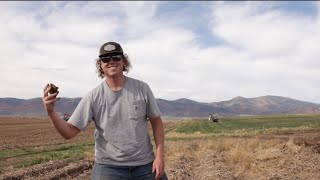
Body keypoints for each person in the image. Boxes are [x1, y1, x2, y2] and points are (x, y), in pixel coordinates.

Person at [43, 41, 167, 180]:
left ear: (124, 61)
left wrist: (160, 157)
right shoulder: (93, 97)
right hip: (108, 167)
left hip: (145, 165)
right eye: (106, 59)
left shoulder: (142, 89)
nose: (111, 61)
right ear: (101, 66)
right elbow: (69, 132)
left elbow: (156, 122)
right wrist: (51, 112)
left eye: (116, 57)